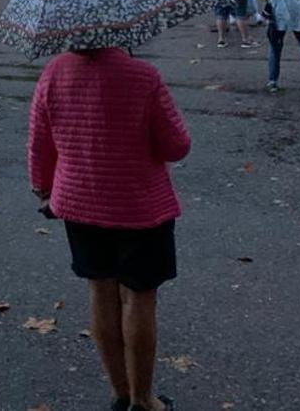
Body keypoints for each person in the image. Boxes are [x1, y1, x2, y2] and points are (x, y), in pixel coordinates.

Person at [29, 46, 190, 411]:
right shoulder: (143, 76)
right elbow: (176, 146)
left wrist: (42, 187)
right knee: (139, 296)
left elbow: (40, 142)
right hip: (139, 204)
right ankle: (143, 398)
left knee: (100, 290)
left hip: (79, 202)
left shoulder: (53, 73)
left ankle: (119, 392)